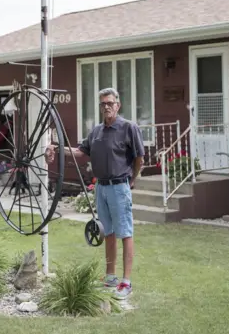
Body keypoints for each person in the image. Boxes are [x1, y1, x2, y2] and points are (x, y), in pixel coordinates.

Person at [45, 87, 145, 299]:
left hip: (119, 186)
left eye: (110, 103)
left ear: (118, 105)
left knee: (125, 233)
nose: (107, 106)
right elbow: (82, 151)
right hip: (101, 187)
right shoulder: (97, 131)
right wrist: (57, 146)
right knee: (107, 232)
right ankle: (110, 278)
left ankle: (126, 283)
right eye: (103, 104)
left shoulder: (129, 128)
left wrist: (132, 179)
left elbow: (139, 158)